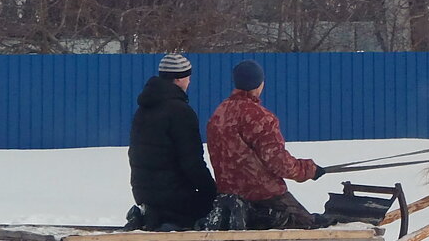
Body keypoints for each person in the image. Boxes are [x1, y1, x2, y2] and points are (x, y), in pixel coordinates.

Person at [206, 59, 326, 229]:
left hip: (230, 199)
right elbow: (279, 163)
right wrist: (308, 170)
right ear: (260, 84)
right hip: (264, 201)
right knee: (315, 228)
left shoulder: (219, 113)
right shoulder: (259, 117)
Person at [127, 53, 217, 230]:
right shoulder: (180, 112)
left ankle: (152, 215)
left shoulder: (143, 110)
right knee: (218, 212)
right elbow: (192, 162)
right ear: (179, 79)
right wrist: (212, 192)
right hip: (175, 198)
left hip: (143, 194)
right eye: (188, 77)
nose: (189, 82)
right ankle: (170, 218)